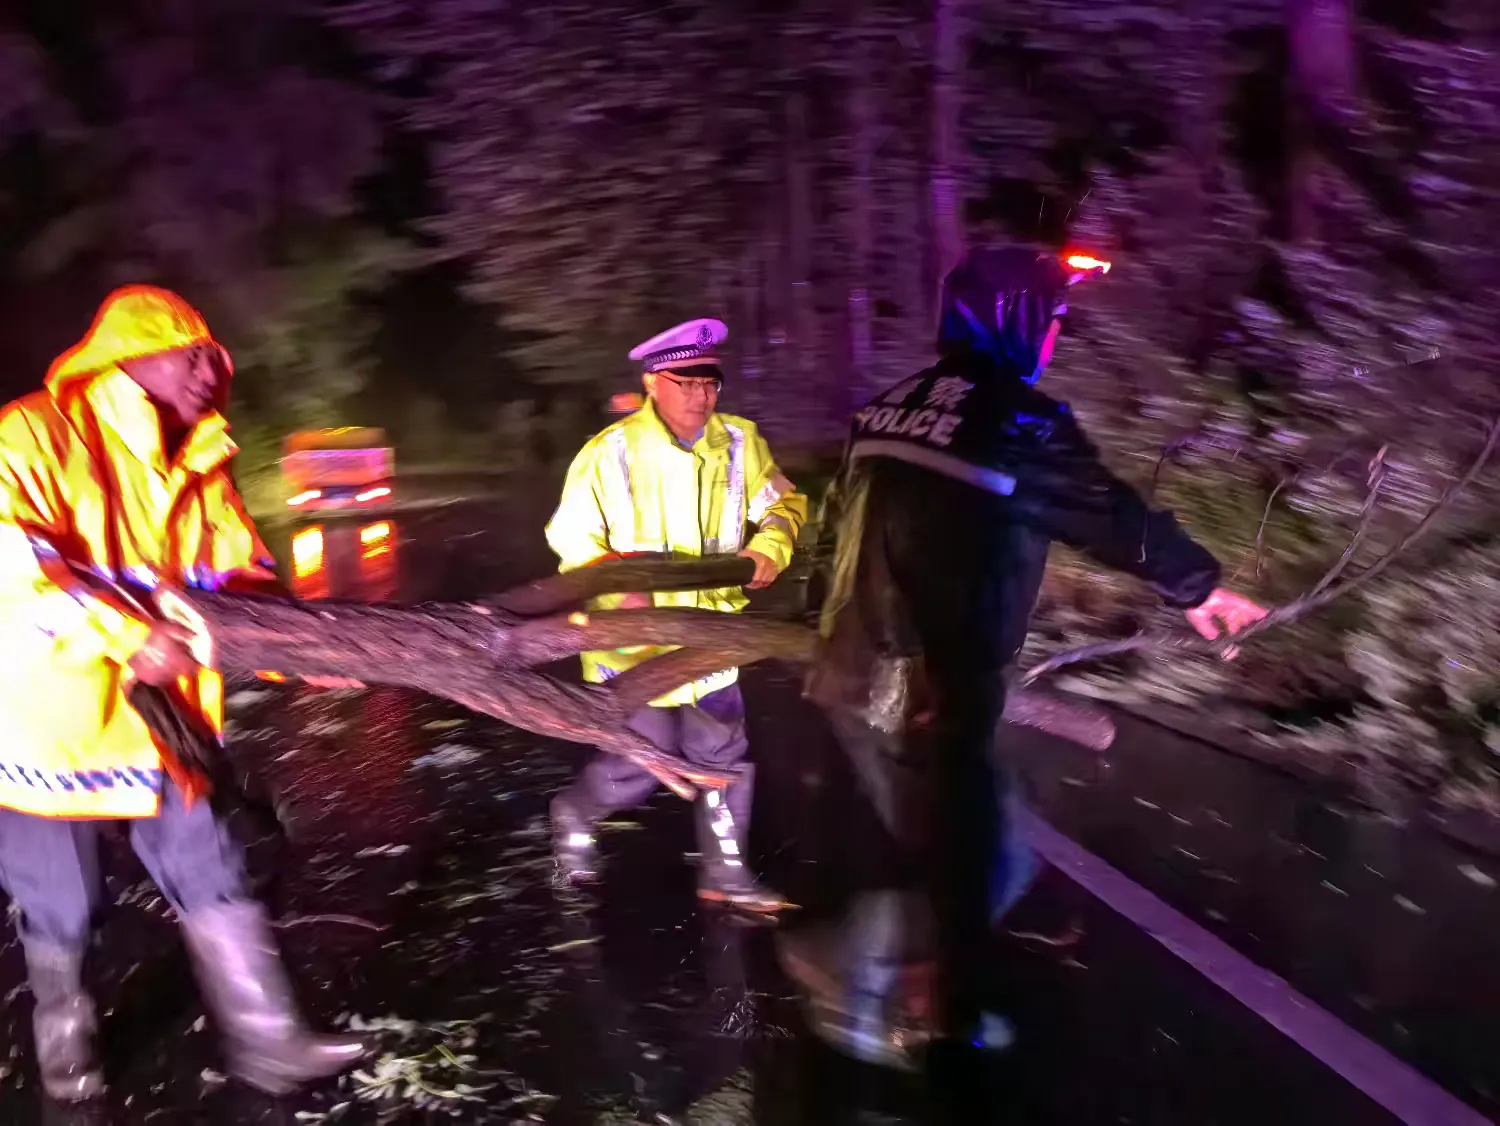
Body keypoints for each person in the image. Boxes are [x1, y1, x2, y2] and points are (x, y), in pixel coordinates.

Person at [785, 247, 1267, 1082]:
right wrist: (1200, 588)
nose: (1054, 334)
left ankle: (924, 997)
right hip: (928, 686)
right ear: (1011, 321)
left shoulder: (888, 409)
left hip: (850, 669)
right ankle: (854, 971)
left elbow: (837, 536)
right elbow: (1107, 514)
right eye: (1048, 318)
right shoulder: (1018, 420)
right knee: (988, 854)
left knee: (961, 848)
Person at [0, 286, 369, 1102]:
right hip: (48, 722)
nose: (212, 368)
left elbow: (240, 579)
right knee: (60, 903)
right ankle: (69, 1059)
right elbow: (14, 564)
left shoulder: (201, 461)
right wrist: (135, 638)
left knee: (210, 862)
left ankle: (269, 1041)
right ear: (128, 356)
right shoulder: (31, 433)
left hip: (165, 718)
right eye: (192, 351)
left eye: (217, 357)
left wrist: (305, 650)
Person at [546, 318, 808, 913]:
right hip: (632, 649)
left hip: (712, 639)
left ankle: (726, 875)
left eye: (710, 383)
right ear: (652, 384)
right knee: (639, 763)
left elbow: (786, 503)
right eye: (684, 382)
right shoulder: (608, 454)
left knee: (723, 756)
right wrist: (620, 592)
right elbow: (574, 544)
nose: (700, 396)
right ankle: (574, 813)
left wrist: (771, 546)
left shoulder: (741, 442)